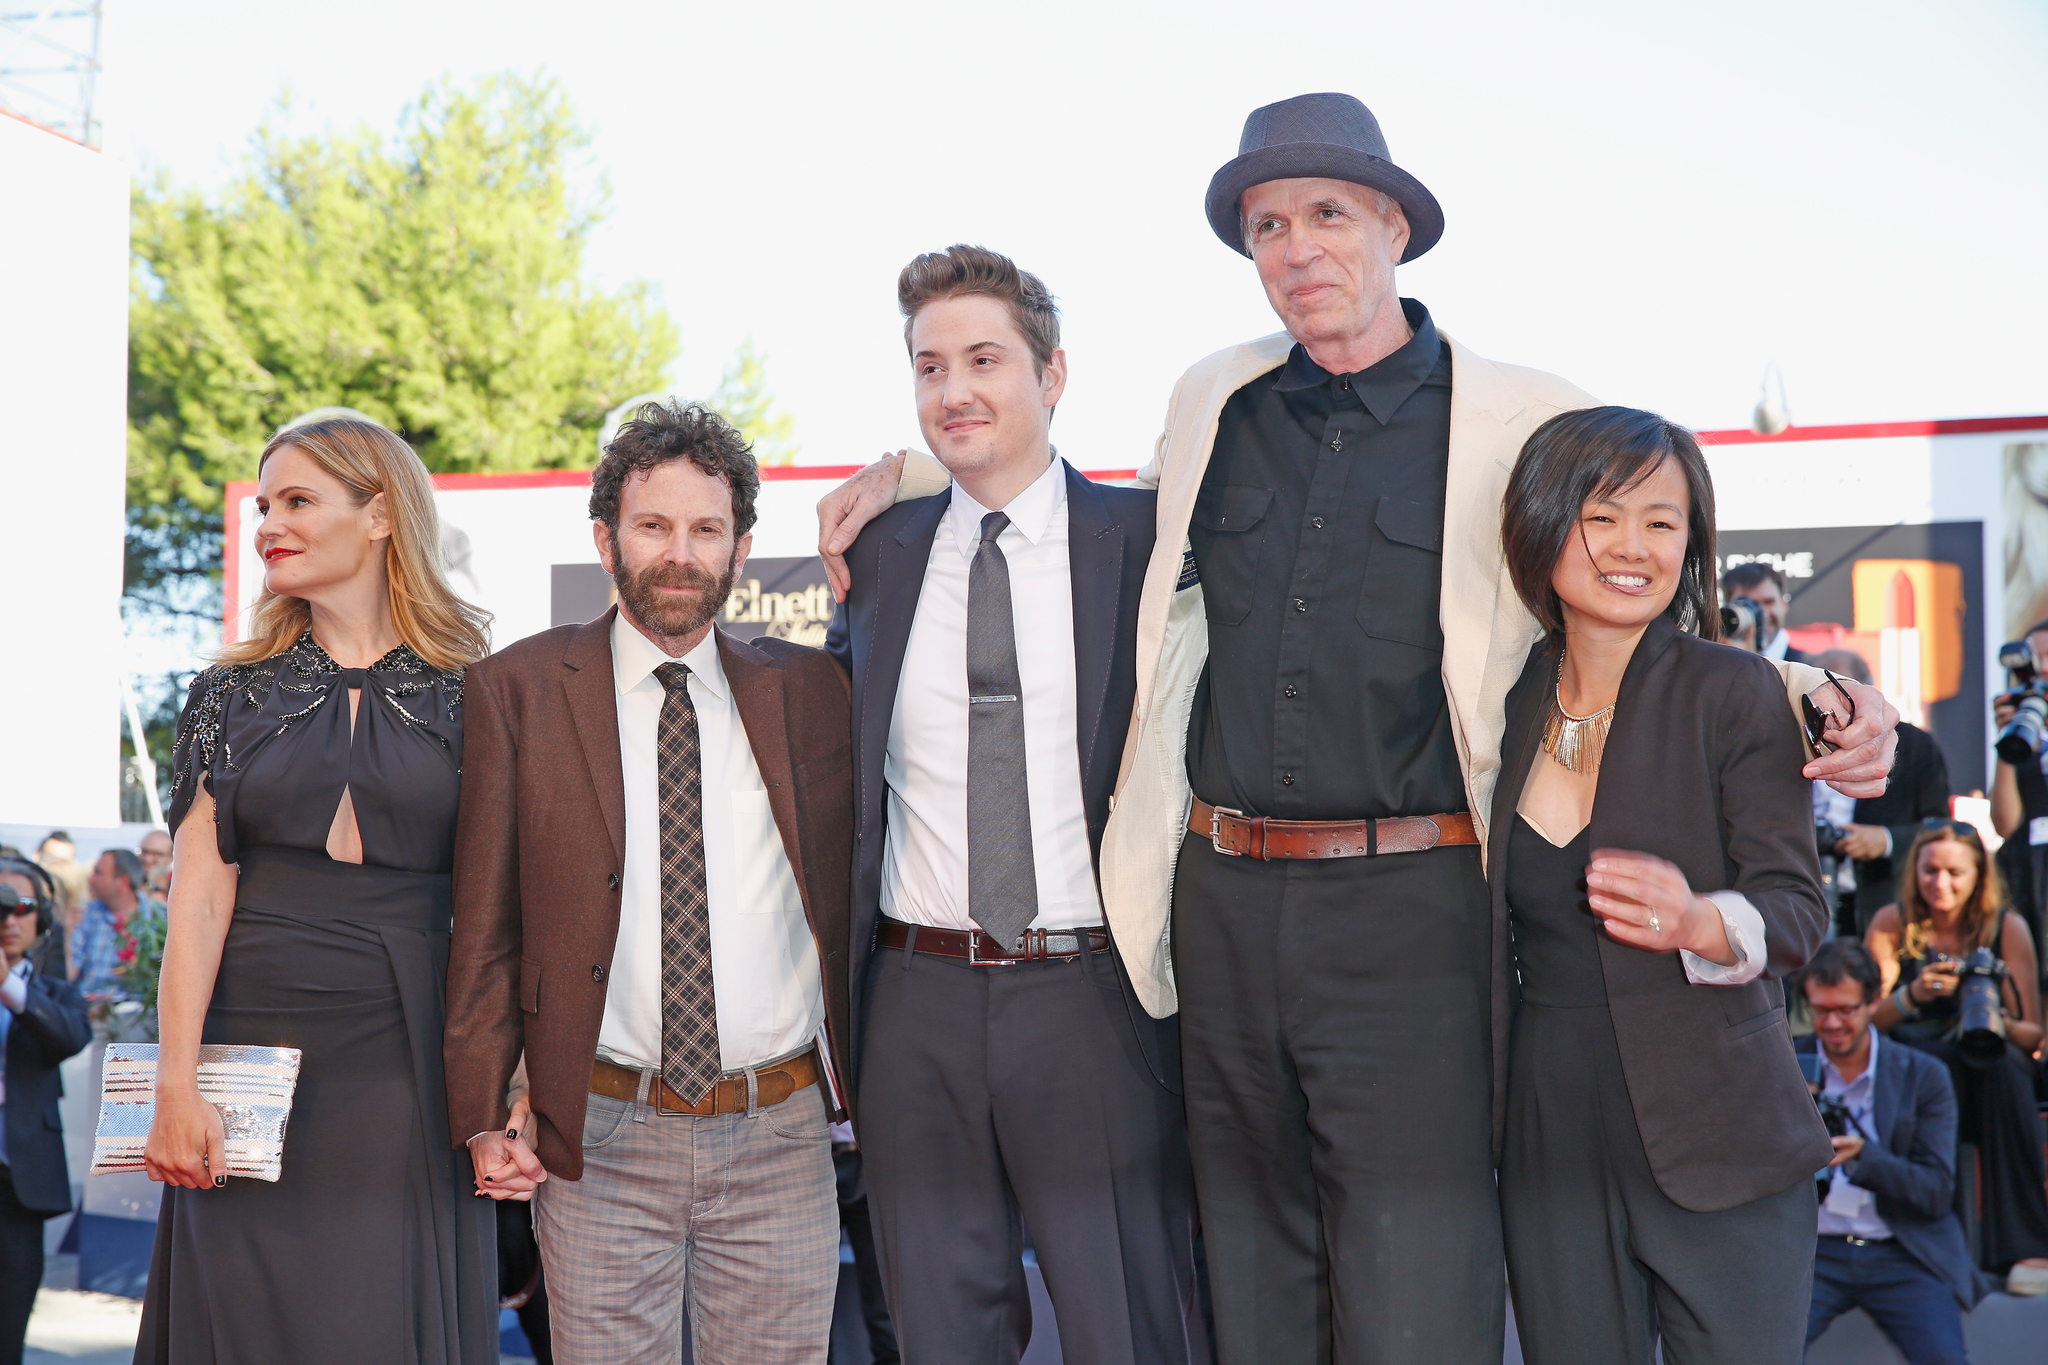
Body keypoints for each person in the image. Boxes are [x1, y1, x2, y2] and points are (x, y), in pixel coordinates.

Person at [814, 92, 1902, 1364]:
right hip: (1218, 911)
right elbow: (1089, 539)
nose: (1296, 248)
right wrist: (891, 494)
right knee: (1251, 1288)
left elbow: (1631, 581)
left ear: (1392, 225)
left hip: (1414, 917)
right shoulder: (1211, 400)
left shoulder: (1520, 416)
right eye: (1266, 225)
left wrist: (1813, 693)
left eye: (1327, 213)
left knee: (1415, 1291)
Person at [823, 246, 1198, 1363]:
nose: (953, 391)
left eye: (983, 358)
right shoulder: (875, 557)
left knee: (1124, 1322)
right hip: (912, 1002)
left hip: (1091, 996)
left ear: (1053, 373)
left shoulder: (1143, 545)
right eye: (928, 366)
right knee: (936, 1329)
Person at [444, 400, 855, 1365]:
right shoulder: (518, 688)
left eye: (707, 529)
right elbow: (486, 924)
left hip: (781, 1134)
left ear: (742, 548)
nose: (680, 553)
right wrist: (485, 1103)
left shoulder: (812, 694)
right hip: (598, 1132)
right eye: (654, 525)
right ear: (606, 536)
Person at [135, 417, 498, 1364]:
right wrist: (176, 1082)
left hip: (409, 1052)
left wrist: (513, 1083)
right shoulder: (226, 692)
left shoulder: (481, 692)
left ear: (380, 513)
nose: (269, 526)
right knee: (246, 1322)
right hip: (251, 1057)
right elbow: (199, 901)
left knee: (374, 1320)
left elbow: (505, 905)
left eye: (297, 501)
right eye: (265, 506)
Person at [1488, 407, 1830, 1363]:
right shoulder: (1497, 706)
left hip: (1720, 1124)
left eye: (1661, 521)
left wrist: (1699, 919)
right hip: (1550, 1132)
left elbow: (1799, 909)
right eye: (1601, 517)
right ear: (1545, 523)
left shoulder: (1733, 690)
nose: (1631, 547)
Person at [1868, 823, 2048, 1296]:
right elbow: (1862, 1022)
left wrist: (1988, 1014)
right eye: (1930, 870)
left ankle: (2026, 1248)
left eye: (1954, 872)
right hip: (1918, 1057)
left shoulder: (2005, 926)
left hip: (1987, 1069)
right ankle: (1924, 1245)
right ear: (1915, 872)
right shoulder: (1893, 922)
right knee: (1928, 1065)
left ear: (1978, 875)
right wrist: (1914, 994)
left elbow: (2032, 1032)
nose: (1940, 883)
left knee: (2005, 1067)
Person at [1797, 938, 1984, 1365]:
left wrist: (1866, 1158)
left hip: (1902, 1250)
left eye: (1846, 1009)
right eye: (1821, 1010)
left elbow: (1937, 1192)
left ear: (1873, 1002)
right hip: (1812, 1253)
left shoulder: (1923, 1075)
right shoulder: (1788, 1063)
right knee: (1759, 1354)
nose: (1832, 1024)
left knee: (1945, 1358)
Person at [0, 863, 91, 1365]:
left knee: (8, 1325)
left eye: (24, 907)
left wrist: (9, 987)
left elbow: (68, 1038)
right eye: (0, 906)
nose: (10, 918)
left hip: (19, 1182)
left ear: (43, 918)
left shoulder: (56, 995)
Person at [1809, 649, 1953, 936]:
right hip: (1809, 903)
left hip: (1885, 908)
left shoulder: (1914, 746)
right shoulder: (1793, 741)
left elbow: (1942, 830)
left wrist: (1886, 840)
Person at [1989, 619, 2048, 975]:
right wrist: (2008, 740)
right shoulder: (2024, 723)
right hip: (2031, 875)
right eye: (2034, 658)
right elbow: (2005, 824)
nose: (2042, 667)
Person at [70, 848, 161, 1004]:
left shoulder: (159, 917)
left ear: (122, 881)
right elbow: (69, 975)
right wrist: (68, 933)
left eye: (98, 873)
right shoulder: (87, 915)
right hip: (90, 1011)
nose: (91, 879)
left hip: (140, 1014)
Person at [1720, 561, 1811, 662]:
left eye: (1768, 602)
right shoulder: (1713, 667)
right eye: (1748, 604)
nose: (1762, 614)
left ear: (1784, 604)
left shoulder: (1811, 669)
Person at [138, 829, 174, 898]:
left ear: (171, 857)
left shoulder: (178, 885)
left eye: (157, 854)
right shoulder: (128, 881)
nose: (148, 859)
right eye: (145, 852)